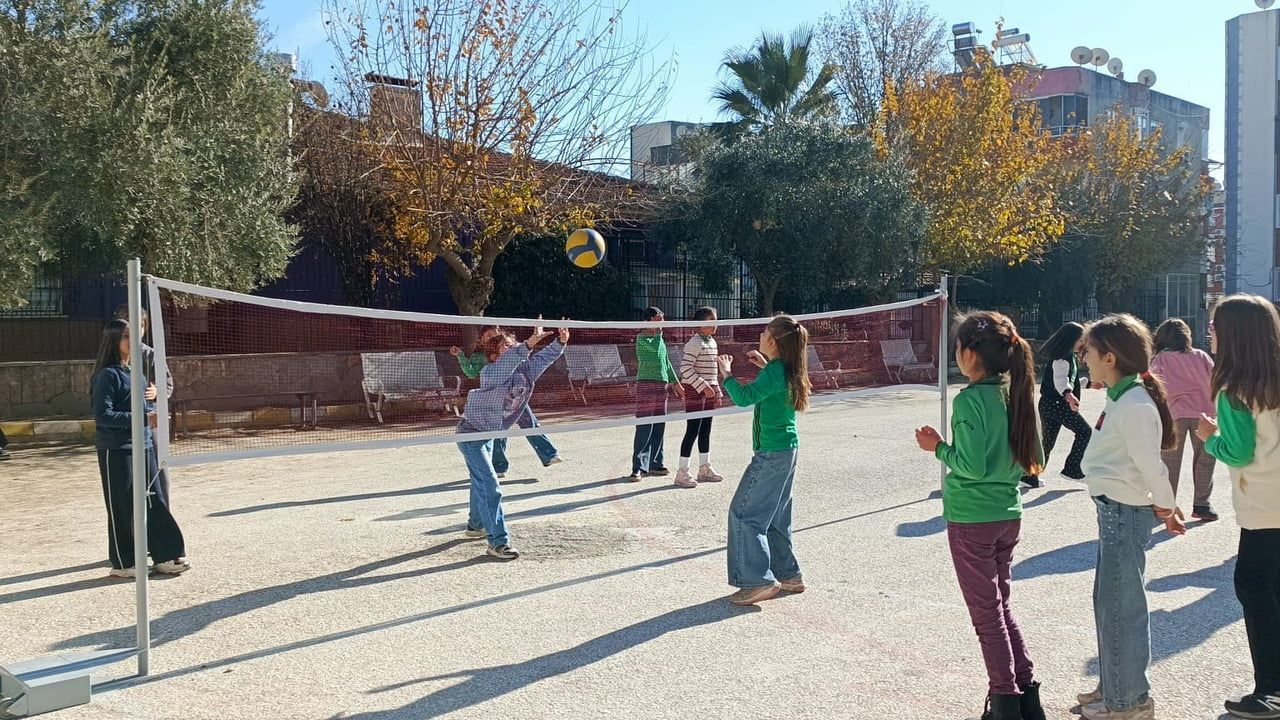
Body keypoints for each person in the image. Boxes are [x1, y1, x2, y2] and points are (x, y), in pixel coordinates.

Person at [915, 311, 1047, 720]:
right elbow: (1036, 461)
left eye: (958, 347)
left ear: (971, 354)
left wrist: (937, 447)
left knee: (987, 617)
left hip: (973, 517)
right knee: (1001, 607)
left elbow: (969, 465)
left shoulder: (971, 399)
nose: (956, 354)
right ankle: (1027, 694)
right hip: (1008, 513)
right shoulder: (1017, 393)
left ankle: (1005, 699)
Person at [1076, 314, 1185, 720]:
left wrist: (1167, 507)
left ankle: (1129, 703)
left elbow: (1151, 464)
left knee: (1121, 608)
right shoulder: (1121, 396)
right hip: (1112, 511)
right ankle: (1116, 686)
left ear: (1109, 357)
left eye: (1088, 351)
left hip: (1123, 513)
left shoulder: (1135, 403)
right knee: (1109, 605)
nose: (1083, 357)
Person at [1194, 295, 1280, 719]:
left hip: (1264, 505)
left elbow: (1239, 451)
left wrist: (1209, 435)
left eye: (1214, 326)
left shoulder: (1234, 390)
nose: (1209, 332)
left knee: (1254, 587)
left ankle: (1271, 689)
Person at [716, 315, 809, 606]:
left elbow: (745, 397)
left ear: (773, 342)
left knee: (744, 514)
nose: (760, 335)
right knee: (776, 517)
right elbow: (772, 385)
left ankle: (756, 581)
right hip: (787, 450)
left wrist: (727, 375)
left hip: (771, 453)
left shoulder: (775, 372)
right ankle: (790, 575)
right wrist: (764, 365)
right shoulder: (785, 368)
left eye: (764, 332)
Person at [455, 321, 567, 560]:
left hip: (490, 434)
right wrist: (526, 345)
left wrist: (560, 341)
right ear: (494, 356)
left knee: (480, 481)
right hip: (471, 434)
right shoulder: (490, 372)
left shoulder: (524, 371)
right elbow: (509, 362)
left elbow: (543, 359)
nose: (511, 347)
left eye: (511, 343)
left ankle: (475, 526)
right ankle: (498, 543)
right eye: (506, 346)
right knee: (490, 486)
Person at [91, 319, 189, 578]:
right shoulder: (106, 375)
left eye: (134, 336)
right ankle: (124, 563)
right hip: (117, 448)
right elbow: (103, 416)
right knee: (122, 505)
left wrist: (152, 412)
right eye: (125, 337)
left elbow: (142, 408)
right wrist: (143, 418)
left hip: (144, 445)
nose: (132, 341)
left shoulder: (136, 373)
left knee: (154, 498)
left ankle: (166, 555)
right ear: (113, 340)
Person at [451, 324, 562, 478]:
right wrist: (461, 356)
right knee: (495, 438)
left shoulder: (520, 360)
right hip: (491, 410)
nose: (495, 339)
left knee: (530, 423)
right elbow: (477, 370)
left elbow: (542, 359)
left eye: (496, 335)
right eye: (489, 338)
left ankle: (549, 454)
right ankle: (497, 467)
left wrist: (560, 342)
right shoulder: (490, 368)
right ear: (490, 350)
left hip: (516, 400)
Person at [1150, 318, 1218, 522]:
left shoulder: (1160, 359)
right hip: (1204, 415)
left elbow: (1154, 389)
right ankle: (1202, 504)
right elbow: (1216, 381)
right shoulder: (1201, 356)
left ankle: (1166, 505)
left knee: (1169, 462)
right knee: (1205, 460)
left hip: (1174, 415)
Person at [113, 304, 174, 504]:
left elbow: (167, 384)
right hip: (123, 427)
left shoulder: (151, 354)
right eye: (129, 325)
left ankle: (163, 512)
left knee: (157, 470)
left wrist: (158, 392)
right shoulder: (111, 358)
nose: (134, 330)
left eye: (139, 325)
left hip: (150, 423)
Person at [1023, 322, 1091, 487]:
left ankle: (1030, 476)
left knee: (1047, 442)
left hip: (1049, 403)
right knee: (1085, 432)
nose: (1084, 345)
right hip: (1058, 404)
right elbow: (1061, 382)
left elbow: (1069, 381)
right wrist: (1068, 395)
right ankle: (1072, 468)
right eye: (1081, 340)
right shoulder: (1063, 357)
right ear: (1072, 340)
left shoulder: (1066, 356)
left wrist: (1088, 384)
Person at [630, 307, 683, 481]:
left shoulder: (660, 339)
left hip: (662, 385)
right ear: (651, 320)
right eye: (660, 318)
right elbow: (652, 350)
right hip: (645, 384)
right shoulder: (641, 338)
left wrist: (675, 383)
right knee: (645, 425)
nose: (663, 321)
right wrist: (658, 332)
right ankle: (638, 467)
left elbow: (665, 361)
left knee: (659, 425)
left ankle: (655, 463)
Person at [674, 306, 724, 489]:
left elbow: (713, 372)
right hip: (694, 391)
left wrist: (716, 390)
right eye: (710, 322)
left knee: (706, 430)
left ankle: (704, 467)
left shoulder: (712, 342)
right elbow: (685, 369)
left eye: (715, 321)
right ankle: (682, 472)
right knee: (692, 430)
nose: (714, 325)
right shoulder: (694, 343)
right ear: (699, 325)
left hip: (708, 392)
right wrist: (703, 386)